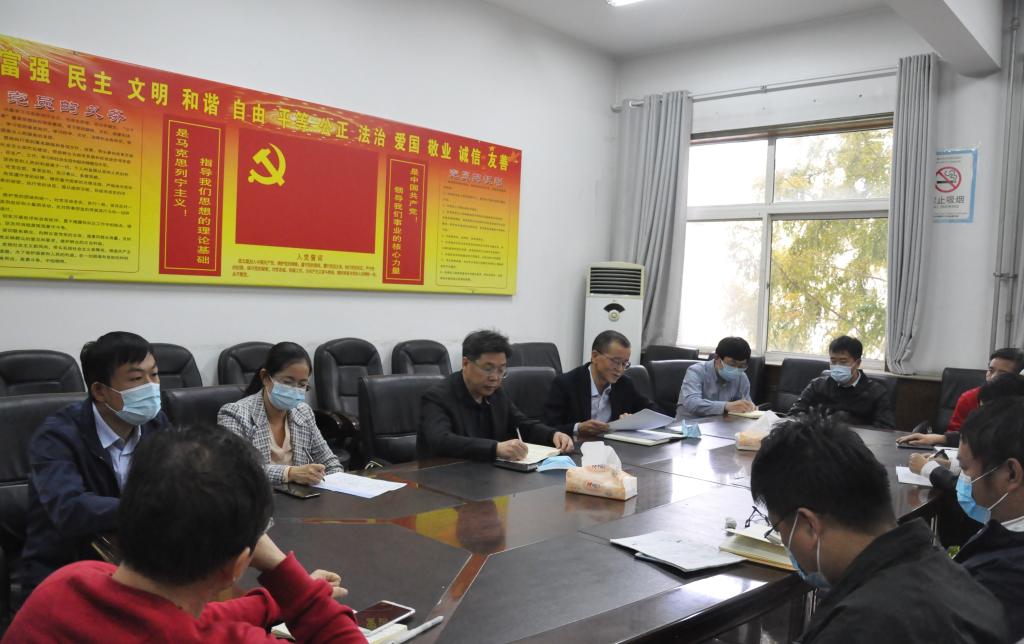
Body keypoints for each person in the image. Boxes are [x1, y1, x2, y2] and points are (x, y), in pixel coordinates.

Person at [4, 425, 365, 642]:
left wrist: (279, 601)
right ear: (238, 565)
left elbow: (173, 616)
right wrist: (287, 577)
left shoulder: (65, 585)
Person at [749, 412, 1007, 643]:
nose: (784, 541)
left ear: (809, 525)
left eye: (778, 529)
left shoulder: (858, 627)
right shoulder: (956, 577)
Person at [21, 331, 170, 590]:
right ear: (100, 391)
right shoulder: (56, 436)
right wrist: (148, 510)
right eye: (137, 378)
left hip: (138, 561)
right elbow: (69, 507)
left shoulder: (156, 423)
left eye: (154, 374)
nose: (151, 386)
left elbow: (180, 480)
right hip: (66, 570)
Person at [418, 330, 573, 461]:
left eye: (501, 370)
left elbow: (522, 423)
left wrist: (553, 435)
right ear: (465, 363)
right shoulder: (437, 397)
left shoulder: (496, 393)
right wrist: (495, 448)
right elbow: (440, 441)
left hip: (486, 474)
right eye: (488, 369)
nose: (495, 377)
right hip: (443, 475)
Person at [942, 396, 1024, 640]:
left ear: (1011, 474)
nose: (964, 478)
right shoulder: (1006, 532)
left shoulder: (1004, 578)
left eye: (965, 468)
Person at [218, 342, 342, 485]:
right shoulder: (234, 414)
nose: (295, 390)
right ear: (265, 377)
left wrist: (340, 481)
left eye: (302, 384)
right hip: (257, 496)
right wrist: (290, 473)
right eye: (288, 382)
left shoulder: (303, 412)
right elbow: (236, 468)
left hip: (301, 496)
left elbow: (329, 461)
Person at [898, 348, 1024, 448]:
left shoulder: (1018, 407)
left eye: (1002, 374)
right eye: (991, 370)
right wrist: (938, 438)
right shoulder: (970, 398)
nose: (993, 377)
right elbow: (962, 437)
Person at [542, 330, 653, 436]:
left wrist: (632, 420)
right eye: (616, 362)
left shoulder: (625, 384)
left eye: (625, 364)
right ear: (595, 356)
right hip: (576, 446)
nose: (620, 369)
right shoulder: (565, 384)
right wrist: (578, 428)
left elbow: (653, 412)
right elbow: (547, 428)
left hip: (613, 447)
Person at [788, 335, 894, 428]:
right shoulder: (817, 385)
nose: (837, 366)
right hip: (820, 439)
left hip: (858, 441)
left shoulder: (876, 392)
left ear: (857, 363)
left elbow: (885, 428)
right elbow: (794, 413)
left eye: (843, 362)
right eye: (833, 361)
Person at [677, 336, 755, 417]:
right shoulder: (696, 371)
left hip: (722, 423)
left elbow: (746, 405)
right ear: (717, 358)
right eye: (732, 364)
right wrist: (725, 406)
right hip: (690, 423)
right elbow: (691, 403)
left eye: (742, 366)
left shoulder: (742, 377)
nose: (736, 369)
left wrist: (750, 408)